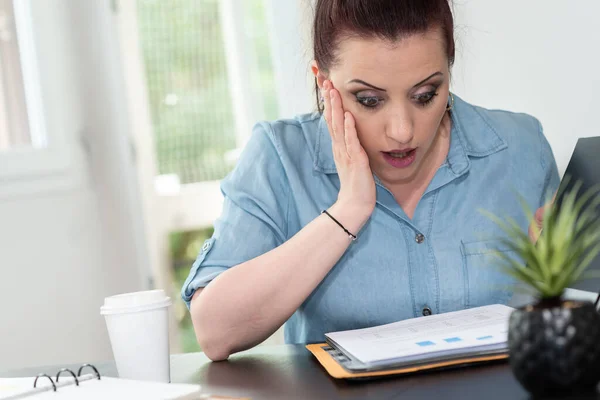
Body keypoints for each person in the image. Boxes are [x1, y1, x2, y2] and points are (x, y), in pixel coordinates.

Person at [181, 0, 559, 361]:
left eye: (426, 95)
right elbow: (215, 333)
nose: (402, 131)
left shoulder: (521, 149)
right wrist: (348, 210)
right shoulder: (280, 158)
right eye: (369, 100)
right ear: (323, 83)